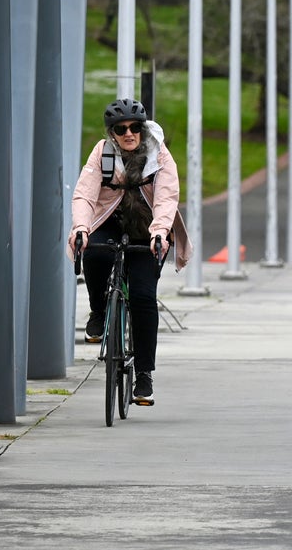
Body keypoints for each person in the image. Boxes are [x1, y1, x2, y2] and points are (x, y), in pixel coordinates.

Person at [68, 98, 191, 407]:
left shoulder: (158, 154)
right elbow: (84, 194)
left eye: (135, 127)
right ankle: (98, 311)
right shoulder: (102, 152)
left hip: (148, 227)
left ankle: (144, 375)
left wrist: (160, 232)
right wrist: (81, 228)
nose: (128, 134)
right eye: (120, 129)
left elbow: (166, 198)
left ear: (142, 129)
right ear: (112, 133)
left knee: (143, 297)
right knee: (94, 253)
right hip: (109, 220)